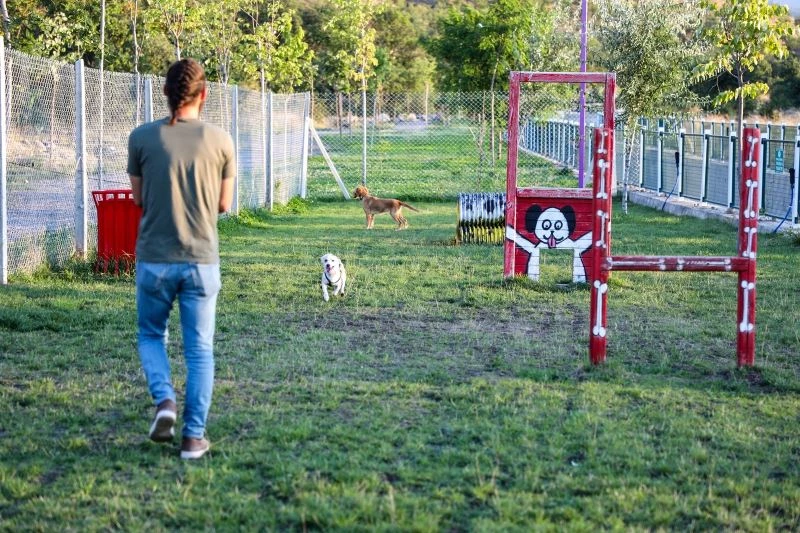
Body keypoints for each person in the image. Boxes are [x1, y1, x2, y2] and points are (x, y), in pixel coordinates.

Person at [127, 58, 235, 460]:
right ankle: (193, 439)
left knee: (151, 335)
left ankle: (165, 402)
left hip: (154, 259)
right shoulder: (221, 140)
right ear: (203, 95)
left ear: (166, 93)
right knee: (200, 350)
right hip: (201, 260)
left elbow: (137, 198)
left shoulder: (140, 138)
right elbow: (224, 204)